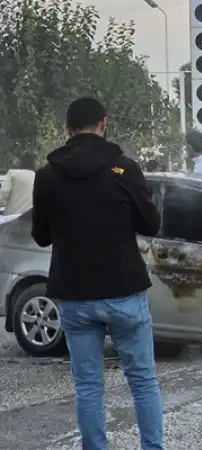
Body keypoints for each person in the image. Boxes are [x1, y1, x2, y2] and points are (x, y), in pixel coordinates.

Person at [30, 97, 163, 449]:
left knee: (88, 385)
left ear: (66, 129)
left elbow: (41, 236)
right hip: (124, 289)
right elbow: (151, 223)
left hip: (74, 293)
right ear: (104, 124)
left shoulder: (46, 176)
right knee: (143, 379)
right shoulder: (125, 168)